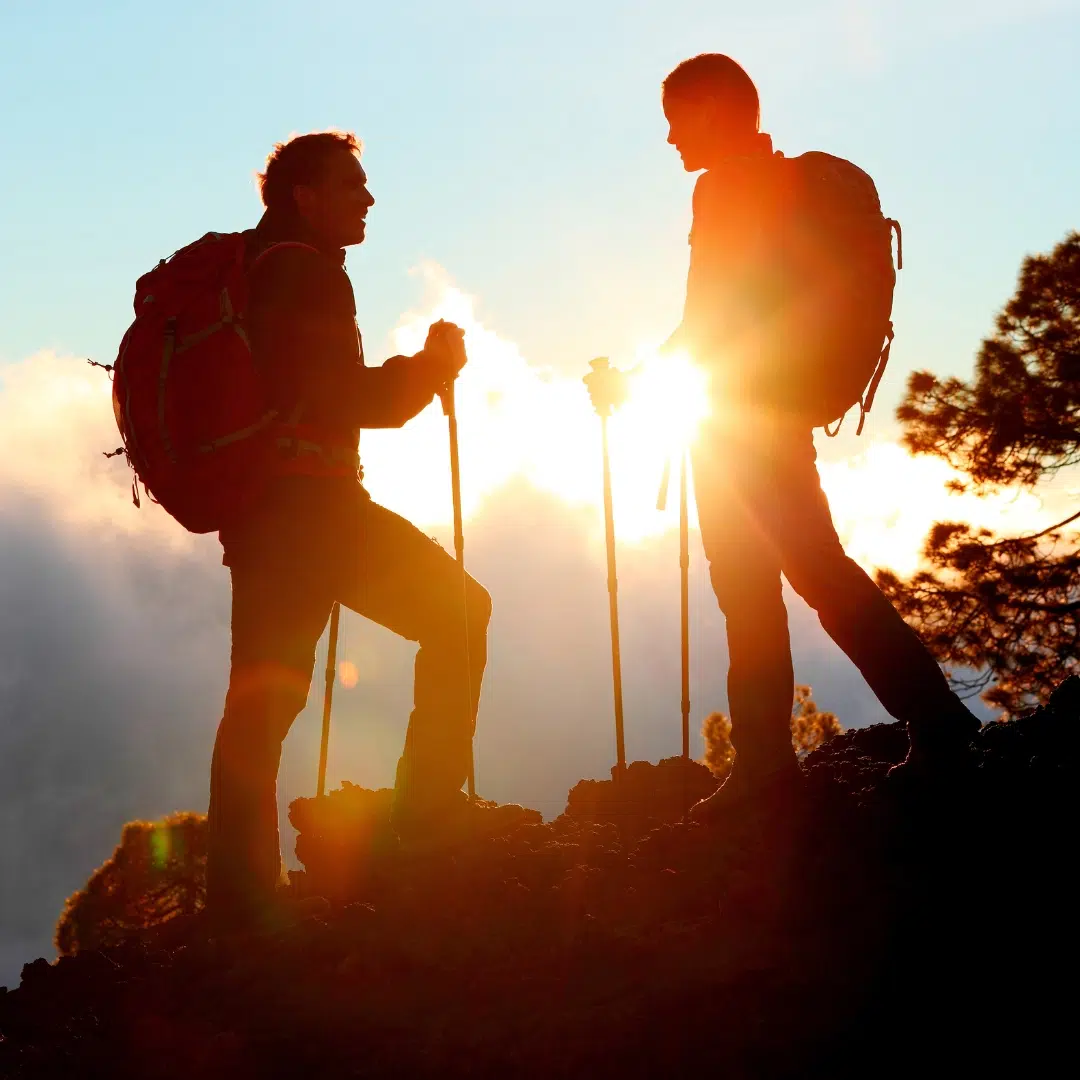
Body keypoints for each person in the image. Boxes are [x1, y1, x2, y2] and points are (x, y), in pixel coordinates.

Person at [587, 55, 978, 819]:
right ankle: (917, 726)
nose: (668, 137)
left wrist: (631, 383)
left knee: (760, 586)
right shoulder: (780, 185)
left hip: (740, 423)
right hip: (776, 412)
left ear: (711, 109)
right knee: (812, 573)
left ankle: (782, 762)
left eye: (676, 117)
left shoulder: (724, 188)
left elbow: (709, 319)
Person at [207, 131, 494, 926]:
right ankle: (426, 819)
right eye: (351, 185)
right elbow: (344, 399)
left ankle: (238, 905)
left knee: (258, 706)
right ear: (305, 196)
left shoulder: (262, 268)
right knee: (460, 614)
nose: (368, 199)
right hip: (317, 514)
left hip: (265, 520)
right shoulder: (305, 273)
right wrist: (431, 368)